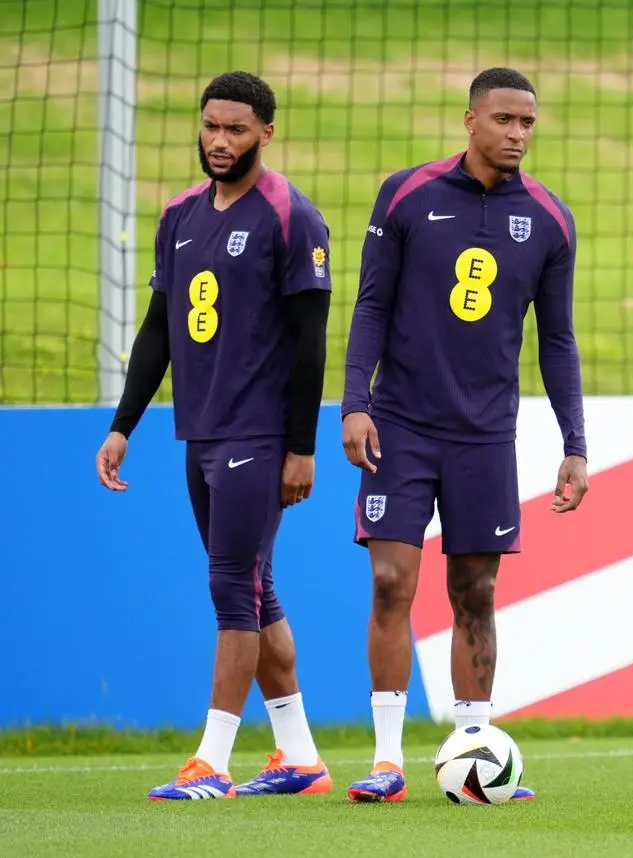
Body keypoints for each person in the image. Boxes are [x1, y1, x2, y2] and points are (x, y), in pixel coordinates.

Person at [339, 67, 588, 803]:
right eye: (504, 120)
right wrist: (357, 401)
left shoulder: (550, 218)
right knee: (390, 581)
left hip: (485, 436)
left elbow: (559, 341)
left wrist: (574, 442)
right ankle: (387, 760)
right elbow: (371, 303)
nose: (517, 134)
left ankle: (475, 748)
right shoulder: (407, 193)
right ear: (470, 120)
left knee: (474, 589)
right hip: (402, 425)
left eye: (528, 123)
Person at [94, 71, 334, 800]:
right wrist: (122, 425)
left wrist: (301, 447)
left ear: (266, 132)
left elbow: (312, 341)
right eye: (210, 127)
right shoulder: (180, 216)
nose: (219, 141)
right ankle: (299, 757)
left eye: (235, 129)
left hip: (259, 432)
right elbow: (159, 329)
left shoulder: (291, 215)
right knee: (256, 593)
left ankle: (213, 763)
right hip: (198, 431)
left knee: (232, 589)